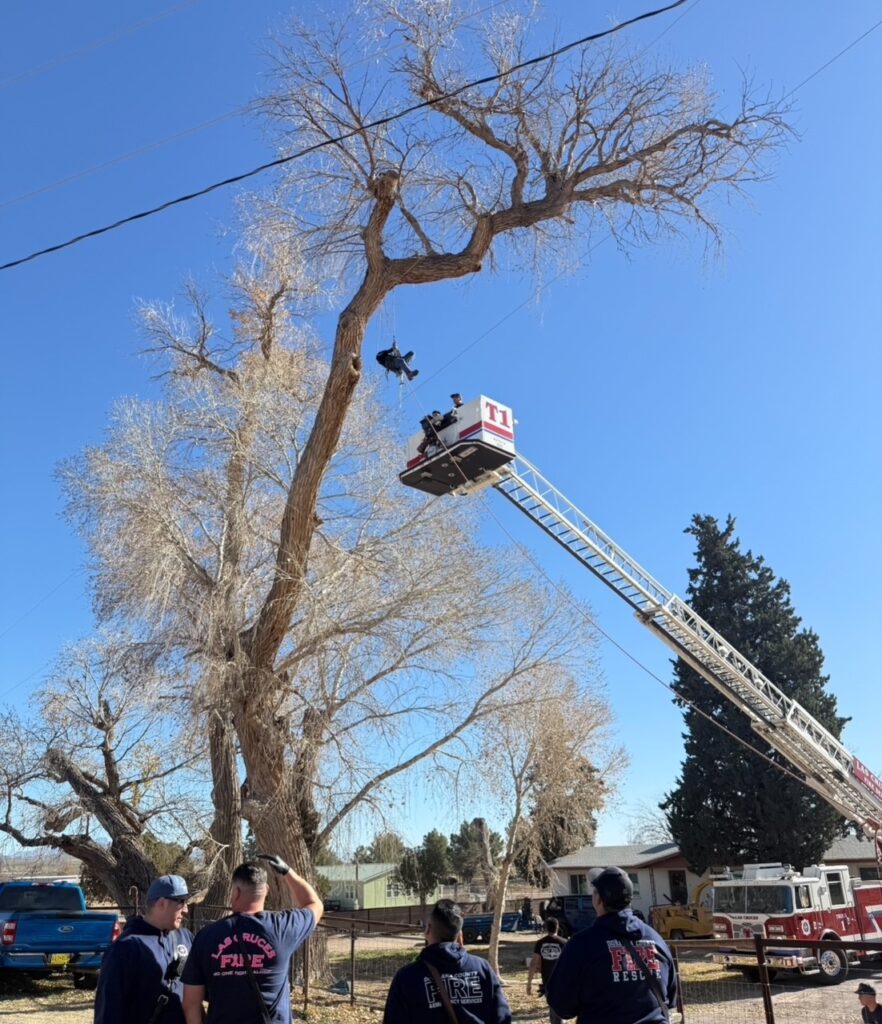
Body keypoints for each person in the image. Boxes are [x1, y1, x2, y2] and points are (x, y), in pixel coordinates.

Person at [181, 855, 323, 1024]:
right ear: (266, 891)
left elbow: (191, 1004)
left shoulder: (207, 936)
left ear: (236, 892)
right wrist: (287, 872)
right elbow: (315, 904)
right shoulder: (283, 928)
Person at [546, 866, 677, 1024]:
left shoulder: (581, 945)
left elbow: (562, 1007)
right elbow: (669, 998)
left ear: (599, 899)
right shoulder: (657, 940)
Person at [383, 898, 511, 1023]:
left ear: (428, 930)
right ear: (460, 934)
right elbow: (503, 1016)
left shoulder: (407, 977)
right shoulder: (483, 969)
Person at [94, 873, 194, 1024]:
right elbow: (109, 1008)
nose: (186, 909)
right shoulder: (125, 948)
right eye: (182, 902)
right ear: (162, 903)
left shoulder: (185, 937)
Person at [527, 917, 567, 1024]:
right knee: (555, 1011)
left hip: (548, 983)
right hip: (562, 982)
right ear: (557, 927)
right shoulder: (564, 943)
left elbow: (533, 964)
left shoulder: (540, 943)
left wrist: (529, 983)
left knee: (554, 1011)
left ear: (546, 928)